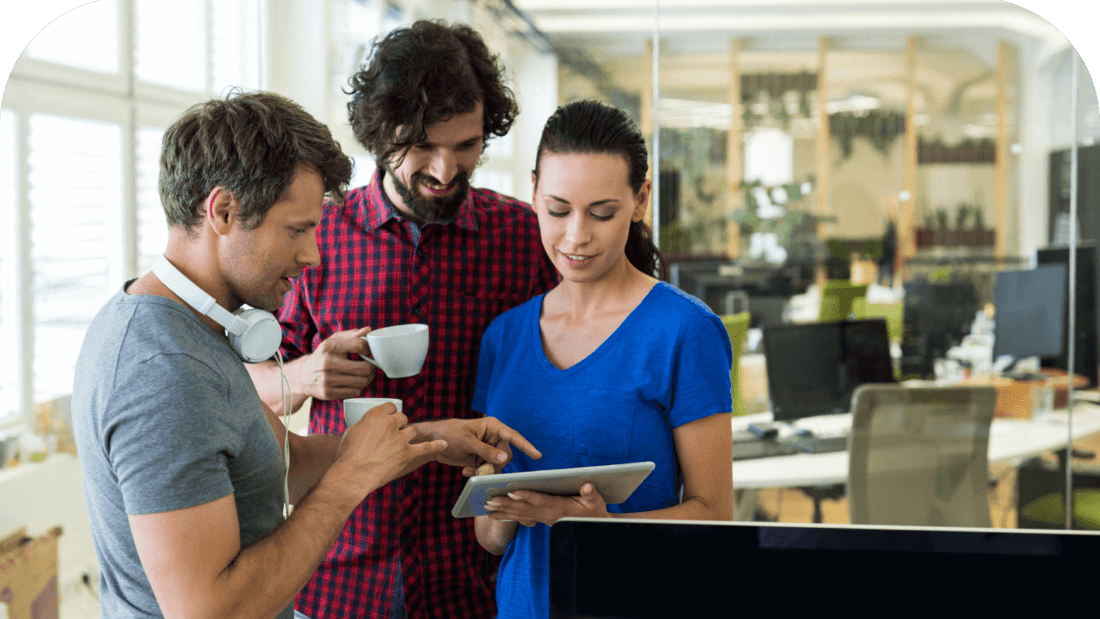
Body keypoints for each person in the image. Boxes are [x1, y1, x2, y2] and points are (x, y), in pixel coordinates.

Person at [70, 90, 539, 619]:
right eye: (298, 230)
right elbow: (211, 610)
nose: (313, 255)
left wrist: (428, 439)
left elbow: (283, 462)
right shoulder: (164, 371)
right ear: (223, 210)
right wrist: (347, 485)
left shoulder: (189, 326)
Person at [244, 20, 559, 619]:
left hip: (473, 567)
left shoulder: (520, 236)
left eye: (466, 145)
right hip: (339, 566)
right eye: (423, 146)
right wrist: (306, 375)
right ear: (380, 132)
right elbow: (250, 386)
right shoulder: (319, 236)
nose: (445, 170)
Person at [471, 99, 736, 619]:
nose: (576, 236)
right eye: (557, 209)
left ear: (639, 201)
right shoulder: (503, 337)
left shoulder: (685, 331)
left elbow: (714, 515)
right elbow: (491, 539)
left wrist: (598, 528)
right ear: (533, 194)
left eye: (602, 213)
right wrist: (506, 510)